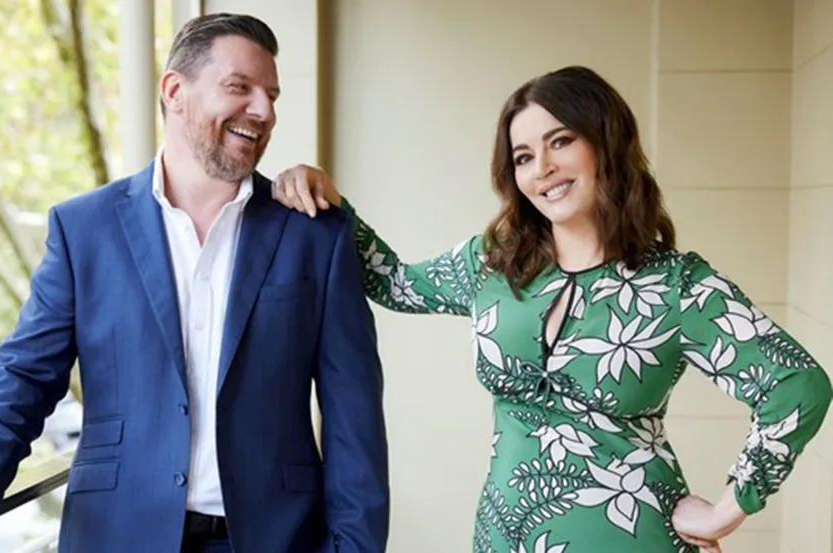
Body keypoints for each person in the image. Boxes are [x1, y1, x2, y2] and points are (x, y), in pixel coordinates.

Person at [271, 65, 832, 553]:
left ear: (605, 144)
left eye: (560, 141)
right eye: (523, 156)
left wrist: (728, 510)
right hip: (505, 532)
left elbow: (798, 386)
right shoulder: (493, 263)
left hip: (630, 536)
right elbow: (394, 281)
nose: (541, 167)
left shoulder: (678, 287)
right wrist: (324, 200)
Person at [0, 13, 389, 553]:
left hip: (275, 539)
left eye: (271, 94)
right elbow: (25, 373)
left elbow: (353, 419)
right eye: (239, 88)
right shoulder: (84, 229)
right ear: (175, 90)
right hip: (116, 536)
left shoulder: (315, 235)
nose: (263, 111)